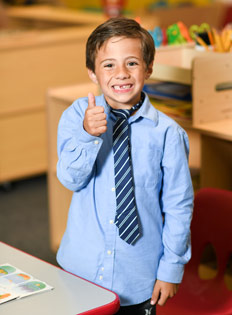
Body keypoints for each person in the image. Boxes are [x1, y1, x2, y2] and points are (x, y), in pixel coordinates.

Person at [56, 17, 194, 315]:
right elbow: (69, 178)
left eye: (132, 63)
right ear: (92, 73)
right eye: (108, 65)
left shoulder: (168, 134)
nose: (121, 73)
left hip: (139, 275)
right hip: (80, 271)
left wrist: (170, 269)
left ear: (148, 68)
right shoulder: (76, 116)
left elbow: (178, 205)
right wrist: (86, 135)